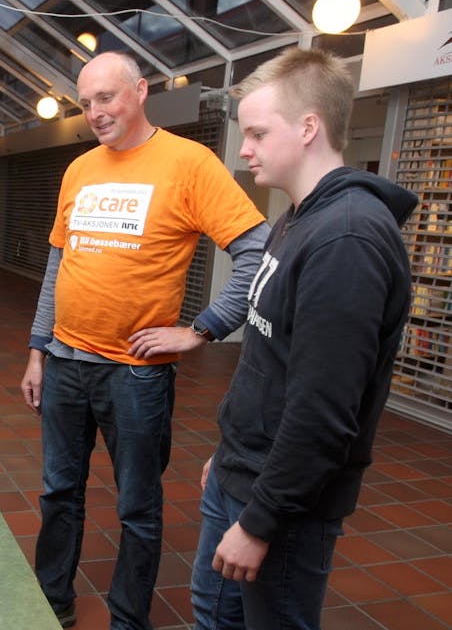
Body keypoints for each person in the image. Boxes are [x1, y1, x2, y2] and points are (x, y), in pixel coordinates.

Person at [20, 50, 270, 630]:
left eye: (106, 98)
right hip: (64, 361)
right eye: (86, 103)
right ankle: (51, 602)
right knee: (58, 491)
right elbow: (57, 267)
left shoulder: (189, 162)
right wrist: (37, 350)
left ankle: (128, 618)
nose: (95, 113)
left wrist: (202, 329)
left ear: (140, 91)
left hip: (134, 373)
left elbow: (257, 252)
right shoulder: (79, 169)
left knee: (137, 507)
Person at [188, 48, 417, 630]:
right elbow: (269, 359)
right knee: (213, 616)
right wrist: (230, 456)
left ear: (309, 127)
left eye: (258, 133)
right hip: (245, 474)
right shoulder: (296, 218)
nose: (244, 149)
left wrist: (260, 520)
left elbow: (324, 413)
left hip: (284, 506)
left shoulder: (347, 240)